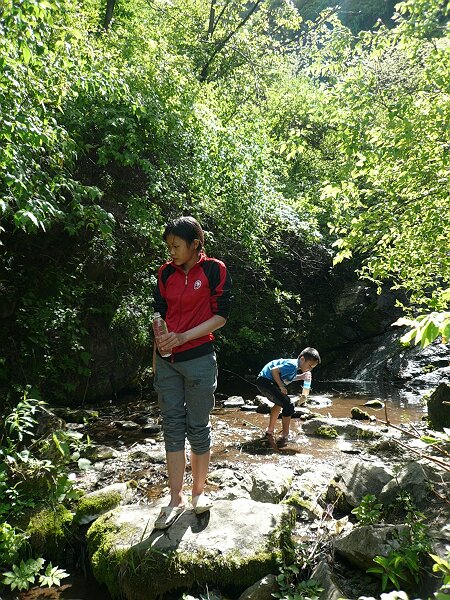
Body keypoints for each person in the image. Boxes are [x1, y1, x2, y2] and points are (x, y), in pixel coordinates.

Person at [152, 216, 232, 529]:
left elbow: (221, 317)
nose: (171, 251)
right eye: (168, 246)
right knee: (172, 425)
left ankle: (198, 493)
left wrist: (184, 336)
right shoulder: (164, 273)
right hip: (167, 361)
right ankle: (175, 497)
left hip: (199, 358)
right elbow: (160, 314)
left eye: (176, 246)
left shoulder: (215, 269)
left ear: (195, 244)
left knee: (197, 425)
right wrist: (161, 341)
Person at [255, 347, 321, 448]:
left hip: (266, 381)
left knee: (279, 403)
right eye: (310, 365)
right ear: (302, 359)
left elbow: (287, 377)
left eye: (313, 367)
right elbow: (274, 370)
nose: (310, 369)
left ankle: (270, 430)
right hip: (265, 381)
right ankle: (285, 434)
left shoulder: (294, 368)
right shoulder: (292, 365)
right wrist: (281, 386)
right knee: (288, 405)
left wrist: (301, 377)